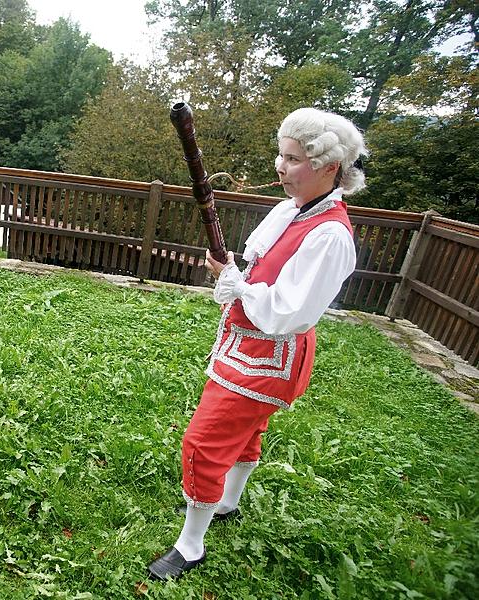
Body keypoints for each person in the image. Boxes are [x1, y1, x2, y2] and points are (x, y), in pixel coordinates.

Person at [147, 107, 366, 581]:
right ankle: (228, 501)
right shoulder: (290, 209)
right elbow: (255, 264)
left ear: (329, 167)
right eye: (280, 156)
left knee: (203, 444)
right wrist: (232, 269)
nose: (280, 168)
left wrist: (236, 283)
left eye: (292, 159)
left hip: (270, 355)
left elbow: (289, 311)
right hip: (246, 345)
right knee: (246, 434)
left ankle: (191, 544)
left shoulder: (330, 235)